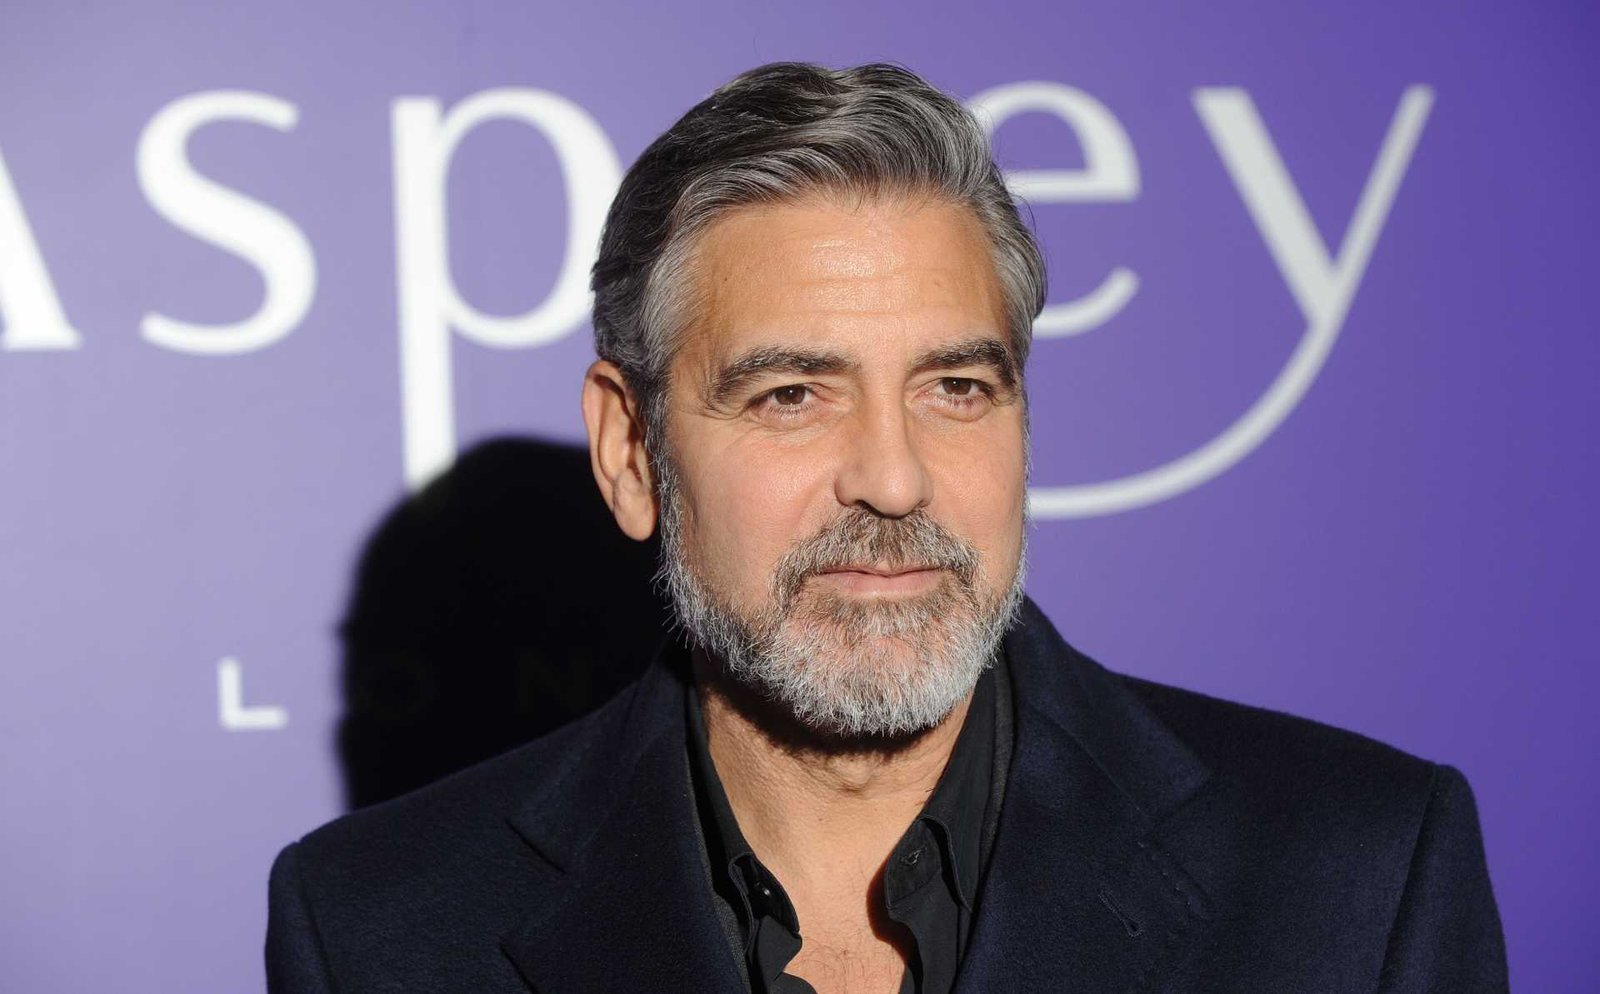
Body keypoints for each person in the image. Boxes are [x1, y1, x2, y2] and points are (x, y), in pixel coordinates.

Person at [266, 62, 1508, 994]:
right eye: (791, 395)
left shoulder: (1357, 879)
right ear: (632, 452)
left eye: (956, 387)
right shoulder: (377, 928)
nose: (894, 479)